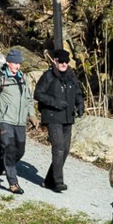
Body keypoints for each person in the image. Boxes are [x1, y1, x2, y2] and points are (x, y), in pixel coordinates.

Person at [0, 48, 33, 194]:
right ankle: (13, 183)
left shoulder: (23, 77)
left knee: (20, 151)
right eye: (15, 63)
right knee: (9, 148)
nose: (18, 66)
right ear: (8, 62)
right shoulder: (0, 77)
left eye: (19, 63)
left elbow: (28, 98)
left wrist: (32, 115)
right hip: (4, 119)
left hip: (20, 121)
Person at [34, 49, 83, 192]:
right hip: (52, 116)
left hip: (68, 117)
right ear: (54, 61)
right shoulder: (48, 76)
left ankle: (49, 180)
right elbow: (38, 93)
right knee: (59, 148)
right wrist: (55, 102)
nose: (64, 64)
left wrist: (80, 105)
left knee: (66, 150)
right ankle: (58, 182)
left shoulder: (71, 76)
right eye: (61, 61)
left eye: (66, 61)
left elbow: (78, 93)